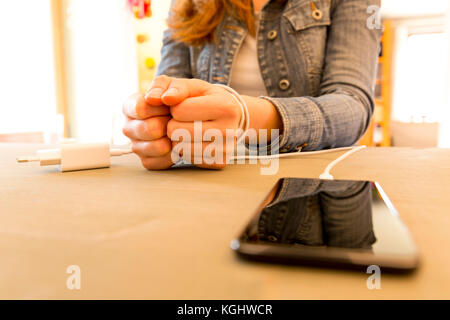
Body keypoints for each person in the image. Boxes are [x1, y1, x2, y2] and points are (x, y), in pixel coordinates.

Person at [122, 0, 381, 170]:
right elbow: (169, 85)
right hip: (205, 181)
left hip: (312, 182)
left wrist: (247, 116)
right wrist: (154, 123)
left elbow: (353, 105)